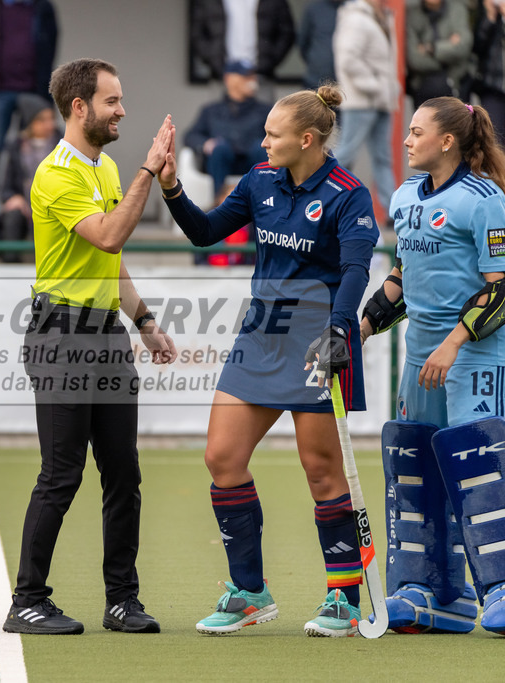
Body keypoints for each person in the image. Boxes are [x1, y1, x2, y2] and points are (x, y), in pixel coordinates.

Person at [161, 84, 379, 637]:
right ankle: (249, 592)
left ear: (306, 139)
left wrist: (339, 328)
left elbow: (356, 269)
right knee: (222, 457)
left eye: (272, 135)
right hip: (261, 335)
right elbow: (207, 233)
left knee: (320, 469)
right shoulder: (259, 180)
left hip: (319, 339)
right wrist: (171, 189)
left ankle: (343, 599)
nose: (262, 143)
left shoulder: (347, 194)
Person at [1, 58, 177, 636]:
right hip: (61, 335)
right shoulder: (57, 174)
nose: (122, 109)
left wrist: (145, 322)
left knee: (123, 472)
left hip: (105, 333)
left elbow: (111, 259)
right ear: (80, 108)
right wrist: (148, 173)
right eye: (112, 101)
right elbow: (109, 233)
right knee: (62, 473)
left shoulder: (103, 168)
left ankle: (122, 601)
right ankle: (27, 599)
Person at [360, 97, 505, 635]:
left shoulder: (486, 200)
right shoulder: (402, 198)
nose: (406, 139)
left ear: (447, 141)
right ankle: (433, 592)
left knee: (478, 465)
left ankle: (500, 588)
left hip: (473, 354)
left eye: (416, 131)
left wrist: (455, 341)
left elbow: (502, 289)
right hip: (420, 359)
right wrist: (366, 327)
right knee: (413, 458)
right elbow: (403, 276)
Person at [333, 0, 399, 214]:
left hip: (380, 101)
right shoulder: (355, 17)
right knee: (346, 154)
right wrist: (374, 86)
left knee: (383, 157)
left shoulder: (381, 16)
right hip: (361, 101)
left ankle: (392, 212)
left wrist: (384, 90)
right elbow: (347, 60)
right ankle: (321, 196)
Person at [0, 93, 61, 262]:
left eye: (51, 118)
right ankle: (11, 264)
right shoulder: (16, 146)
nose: (49, 124)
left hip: (56, 203)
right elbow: (4, 188)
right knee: (12, 215)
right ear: (29, 122)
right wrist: (14, 198)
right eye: (42, 120)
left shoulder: (62, 144)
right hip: (26, 208)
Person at [184, 59, 271, 198]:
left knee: (260, 148)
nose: (252, 81)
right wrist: (206, 144)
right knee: (220, 148)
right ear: (229, 79)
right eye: (246, 77)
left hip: (252, 163)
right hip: (220, 164)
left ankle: (265, 203)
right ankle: (220, 206)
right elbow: (190, 136)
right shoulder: (211, 111)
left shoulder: (266, 110)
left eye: (253, 76)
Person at [0, 0, 58, 152]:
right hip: (0, 89)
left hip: (34, 89)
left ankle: (34, 177)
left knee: (35, 146)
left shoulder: (42, 7)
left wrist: (46, 87)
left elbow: (50, 45)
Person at [189, 0, 296, 83]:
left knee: (267, 112)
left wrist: (268, 62)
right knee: (217, 111)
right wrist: (215, 62)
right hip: (222, 77)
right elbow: (198, 34)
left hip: (261, 77)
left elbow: (286, 33)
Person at [406, 0, 474, 105]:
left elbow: (463, 47)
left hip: (455, 83)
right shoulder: (412, 14)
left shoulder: (457, 9)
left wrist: (432, 49)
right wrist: (448, 55)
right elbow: (414, 60)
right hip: (424, 87)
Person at [474, 0, 505, 145]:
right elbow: (478, 46)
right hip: (493, 87)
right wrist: (490, 16)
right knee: (493, 139)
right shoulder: (488, 18)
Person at [298, 0, 346, 90]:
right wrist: (316, 61)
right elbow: (303, 42)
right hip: (316, 81)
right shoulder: (313, 9)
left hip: (347, 83)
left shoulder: (354, 9)